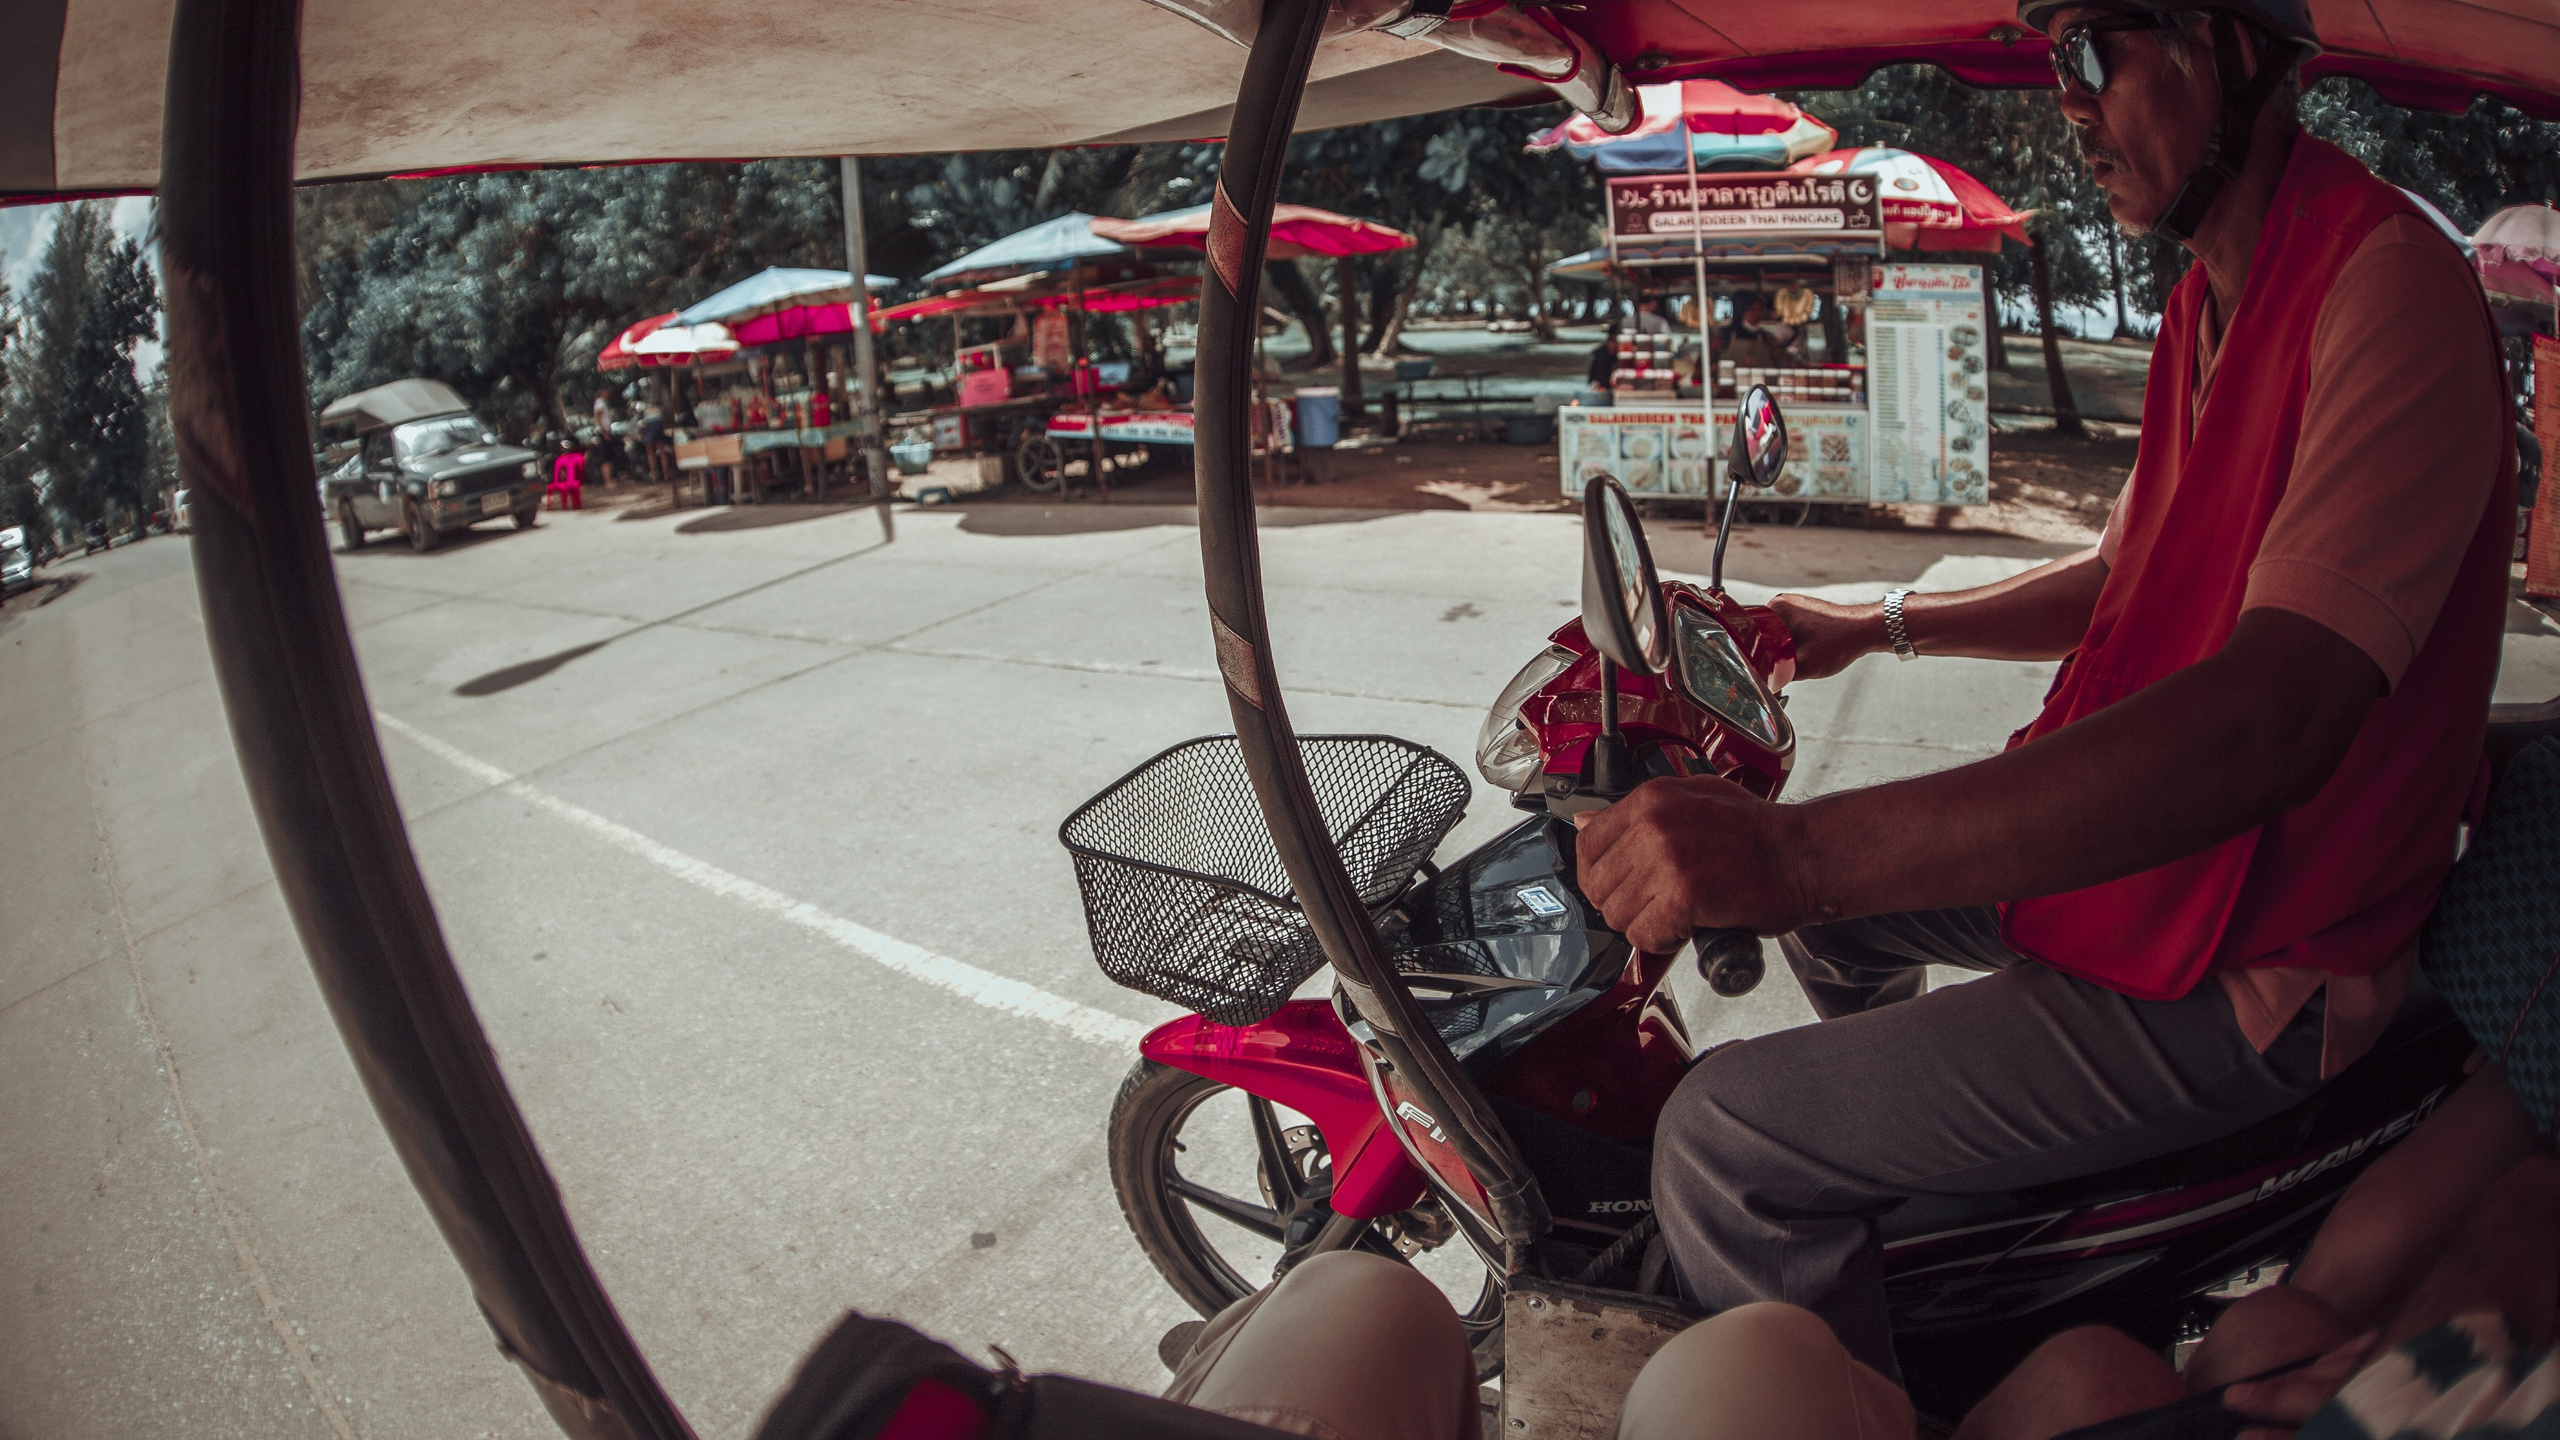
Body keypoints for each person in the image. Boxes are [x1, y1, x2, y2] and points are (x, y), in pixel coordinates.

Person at [1572, 0, 2517, 1381]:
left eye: (2094, 50)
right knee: (1842, 935)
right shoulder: (2209, 302)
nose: (2065, 101)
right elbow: (2129, 572)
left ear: (2234, 47)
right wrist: (1866, 623)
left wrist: (1791, 852)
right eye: (2048, 58)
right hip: (2169, 881)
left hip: (2271, 948)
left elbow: (2275, 715)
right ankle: (1961, 1220)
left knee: (1728, 1142)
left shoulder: (2386, 289)